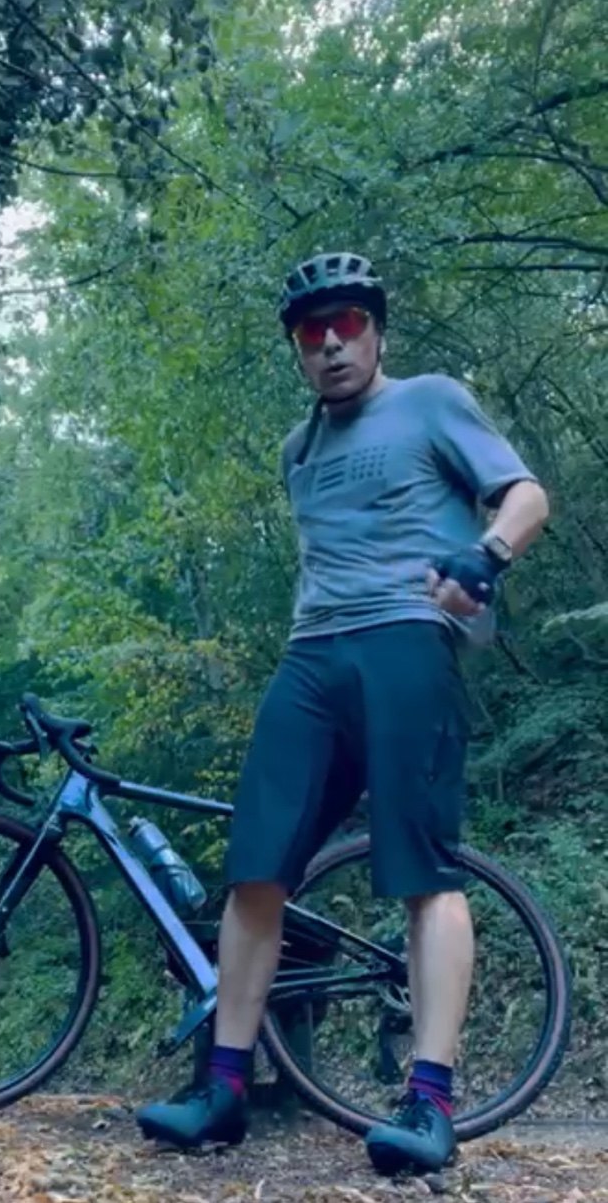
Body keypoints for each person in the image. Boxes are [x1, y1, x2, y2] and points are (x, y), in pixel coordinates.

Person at [136, 252, 550, 1174]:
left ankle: (429, 1100)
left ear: (376, 331)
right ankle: (225, 1088)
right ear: (296, 346)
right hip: (311, 655)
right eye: (310, 331)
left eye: (348, 324)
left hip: (407, 639)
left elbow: (527, 494)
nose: (330, 343)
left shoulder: (431, 401)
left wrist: (484, 556)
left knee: (423, 871)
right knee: (254, 869)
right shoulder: (297, 450)